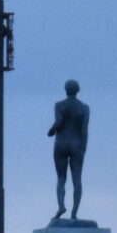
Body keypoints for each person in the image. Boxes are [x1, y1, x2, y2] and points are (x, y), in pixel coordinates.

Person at [47, 79, 89, 221]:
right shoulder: (84, 108)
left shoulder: (59, 105)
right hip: (77, 145)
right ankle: (74, 213)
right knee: (77, 179)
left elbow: (58, 122)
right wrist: (83, 147)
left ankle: (61, 206)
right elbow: (84, 131)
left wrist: (52, 130)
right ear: (77, 90)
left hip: (61, 144)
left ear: (66, 90)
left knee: (61, 178)